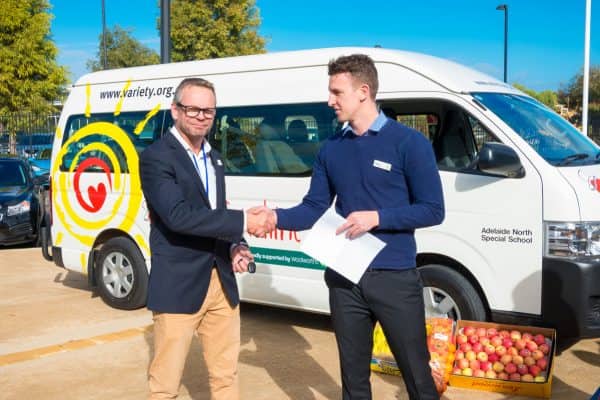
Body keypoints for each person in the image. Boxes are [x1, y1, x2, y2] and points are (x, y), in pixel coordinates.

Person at [250, 54, 445, 399]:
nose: (330, 100)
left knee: (418, 377)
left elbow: (433, 210)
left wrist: (377, 218)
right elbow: (314, 207)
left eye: (337, 92)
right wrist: (274, 217)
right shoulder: (331, 149)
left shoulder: (409, 143)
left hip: (394, 278)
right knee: (353, 381)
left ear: (363, 91)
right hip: (344, 277)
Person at [139, 77, 273, 400]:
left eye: (209, 111)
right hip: (179, 285)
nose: (201, 116)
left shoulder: (215, 158)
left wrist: (235, 245)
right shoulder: (157, 157)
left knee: (226, 377)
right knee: (165, 386)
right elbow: (178, 216)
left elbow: (213, 214)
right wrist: (244, 221)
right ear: (175, 110)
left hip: (220, 283)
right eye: (193, 109)